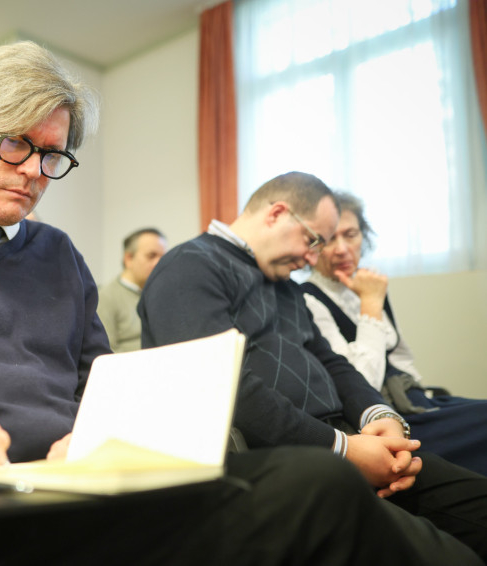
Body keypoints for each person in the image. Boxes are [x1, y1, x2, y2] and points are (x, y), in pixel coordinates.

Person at [0, 44, 483, 566]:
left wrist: (100, 436)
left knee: (323, 489)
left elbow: (103, 390)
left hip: (92, 489)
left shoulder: (57, 254)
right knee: (318, 489)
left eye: (53, 156)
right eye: (17, 146)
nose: (35, 173)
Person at [139, 171, 487, 561]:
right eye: (312, 240)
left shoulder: (286, 287)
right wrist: (344, 449)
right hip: (282, 461)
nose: (311, 258)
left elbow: (332, 362)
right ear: (277, 213)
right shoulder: (190, 266)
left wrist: (381, 414)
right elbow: (223, 385)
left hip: (341, 442)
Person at [301, 190, 487, 475]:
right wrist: (371, 304)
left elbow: (401, 358)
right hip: (378, 419)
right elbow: (361, 381)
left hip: (414, 402)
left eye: (351, 235)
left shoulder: (370, 284)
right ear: (313, 246)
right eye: (329, 240)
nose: (342, 249)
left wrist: (422, 394)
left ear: (364, 236)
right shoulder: (308, 299)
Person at [97, 228, 167, 352]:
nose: (159, 263)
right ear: (128, 259)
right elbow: (105, 352)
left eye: (163, 257)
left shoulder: (161, 294)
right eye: (151, 256)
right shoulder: (105, 297)